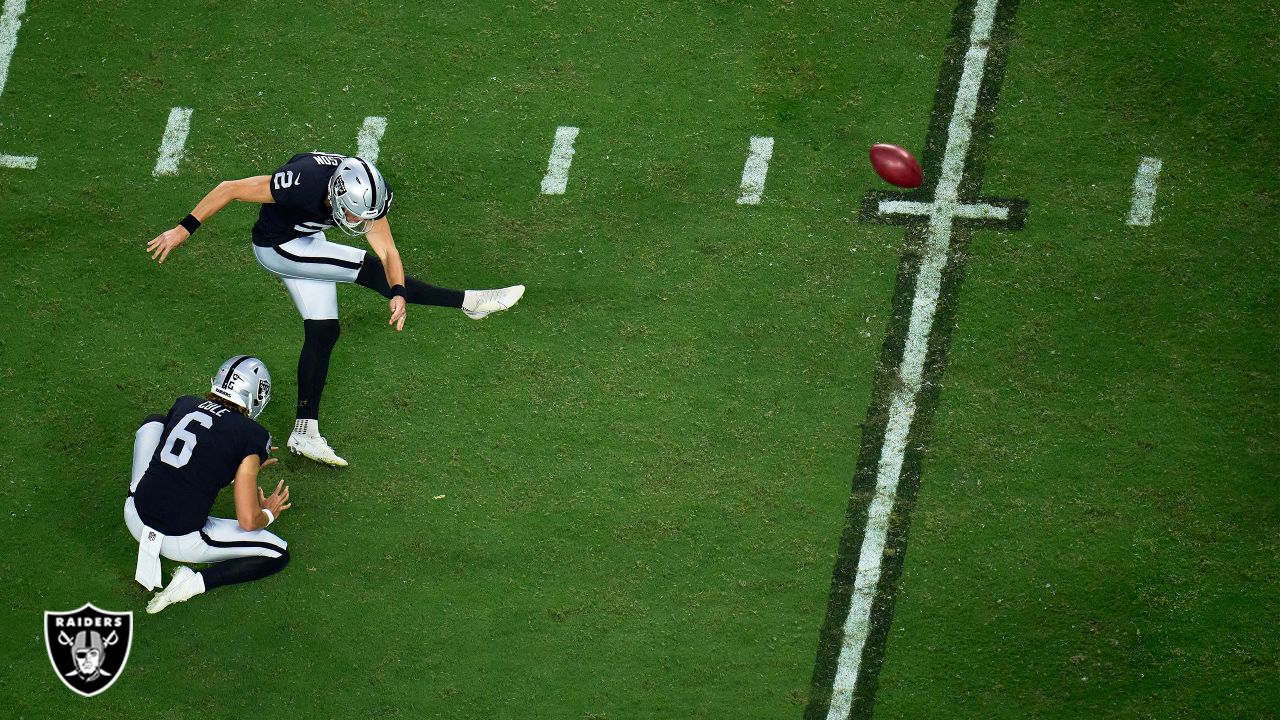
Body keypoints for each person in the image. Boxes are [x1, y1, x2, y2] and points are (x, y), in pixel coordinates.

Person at [147, 152, 525, 466]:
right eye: (358, 215)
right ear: (337, 196)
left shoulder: (362, 193)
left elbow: (389, 250)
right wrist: (183, 230)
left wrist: (397, 290)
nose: (363, 223)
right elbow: (229, 189)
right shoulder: (302, 182)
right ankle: (471, 302)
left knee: (324, 331)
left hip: (308, 238)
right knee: (366, 270)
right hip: (279, 247)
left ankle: (304, 432)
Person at [125, 356, 292, 614]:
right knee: (277, 553)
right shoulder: (253, 435)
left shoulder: (186, 403)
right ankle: (192, 583)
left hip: (134, 512)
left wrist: (239, 466)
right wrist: (268, 513)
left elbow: (195, 450)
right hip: (178, 538)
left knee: (154, 422)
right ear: (254, 396)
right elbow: (248, 520)